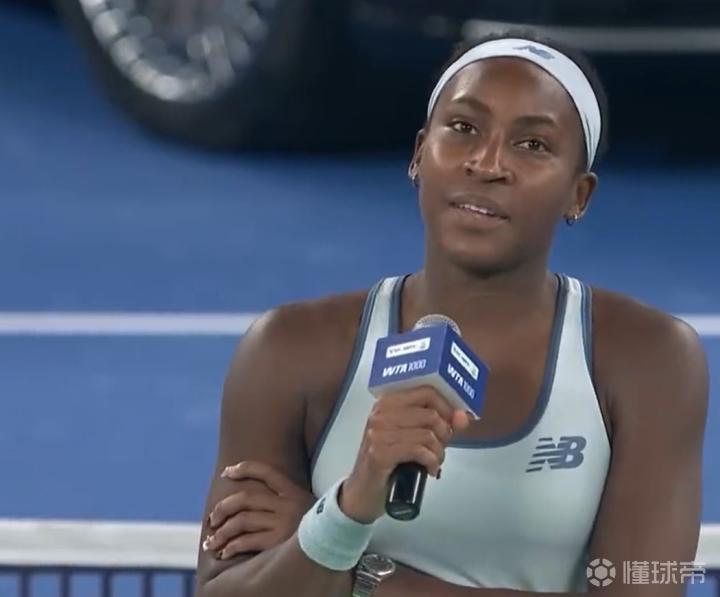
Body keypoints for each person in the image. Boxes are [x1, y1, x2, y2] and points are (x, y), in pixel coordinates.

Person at [194, 28, 709, 597]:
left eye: (532, 144)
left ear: (578, 195)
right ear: (419, 155)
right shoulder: (288, 350)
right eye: (464, 128)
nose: (487, 164)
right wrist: (348, 507)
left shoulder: (651, 360)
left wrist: (346, 555)